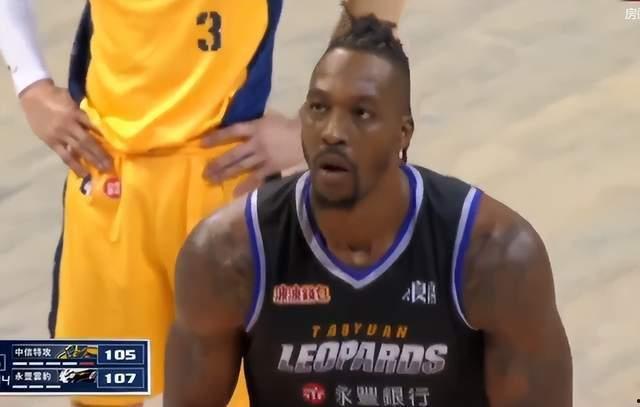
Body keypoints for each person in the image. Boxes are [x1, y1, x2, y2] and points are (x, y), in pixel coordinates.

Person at [0, 1, 409, 406]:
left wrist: (312, 129)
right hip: (107, 184)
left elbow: (376, 9)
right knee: (96, 390)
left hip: (225, 191)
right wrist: (31, 83)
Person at [165, 11, 574, 407]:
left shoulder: (494, 257)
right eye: (319, 108)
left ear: (403, 133)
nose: (332, 133)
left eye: (361, 113)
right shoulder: (228, 255)